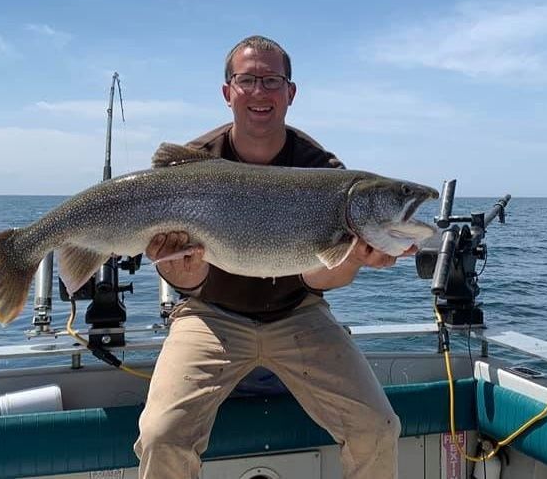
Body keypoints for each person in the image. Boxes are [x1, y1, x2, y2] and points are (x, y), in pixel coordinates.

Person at [133, 35, 413, 478]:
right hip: (209, 315)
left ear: (290, 93)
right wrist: (180, 274)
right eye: (247, 80)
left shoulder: (322, 172)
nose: (259, 91)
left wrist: (354, 259)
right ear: (228, 92)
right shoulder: (190, 166)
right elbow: (186, 282)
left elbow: (315, 280)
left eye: (272, 80)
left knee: (378, 427)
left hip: (297, 314)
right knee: (161, 434)